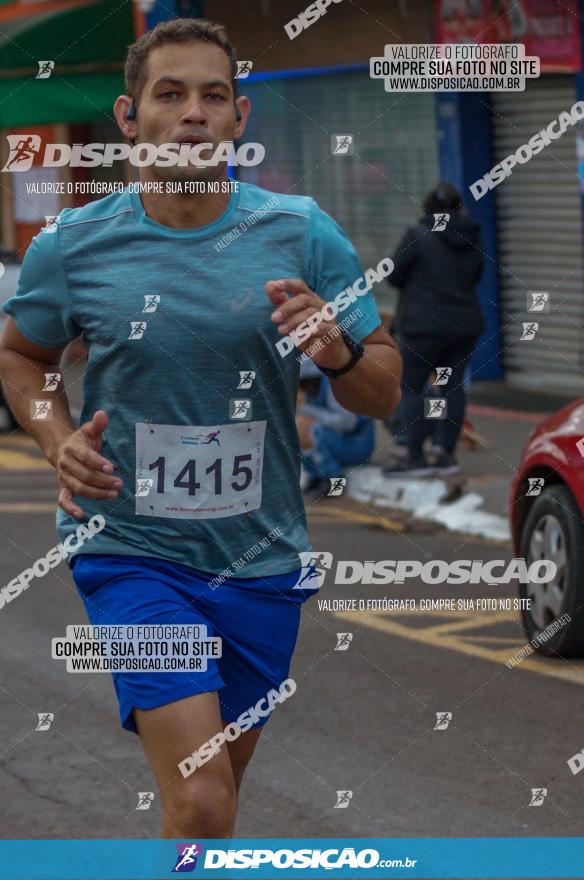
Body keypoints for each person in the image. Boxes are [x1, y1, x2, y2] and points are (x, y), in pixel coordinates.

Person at [0, 18, 401, 839]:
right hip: (130, 554)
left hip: (260, 559)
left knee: (213, 800)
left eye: (213, 96)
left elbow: (383, 392)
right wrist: (56, 439)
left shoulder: (299, 231)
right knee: (202, 794)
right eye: (170, 93)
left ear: (238, 119)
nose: (193, 113)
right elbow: (20, 354)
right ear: (127, 115)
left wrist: (339, 350)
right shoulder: (73, 243)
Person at [384, 182, 484, 477]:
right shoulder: (472, 237)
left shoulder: (418, 236)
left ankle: (415, 458)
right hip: (464, 325)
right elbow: (477, 274)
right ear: (459, 208)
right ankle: (445, 454)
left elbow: (394, 275)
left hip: (422, 327)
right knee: (452, 386)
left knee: (412, 387)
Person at [297, 360, 375, 498]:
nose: (303, 385)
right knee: (299, 426)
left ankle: (333, 478)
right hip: (339, 443)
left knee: (316, 428)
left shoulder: (332, 385)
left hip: (357, 446)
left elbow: (347, 422)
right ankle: (316, 476)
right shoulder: (312, 390)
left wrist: (309, 411)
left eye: (306, 380)